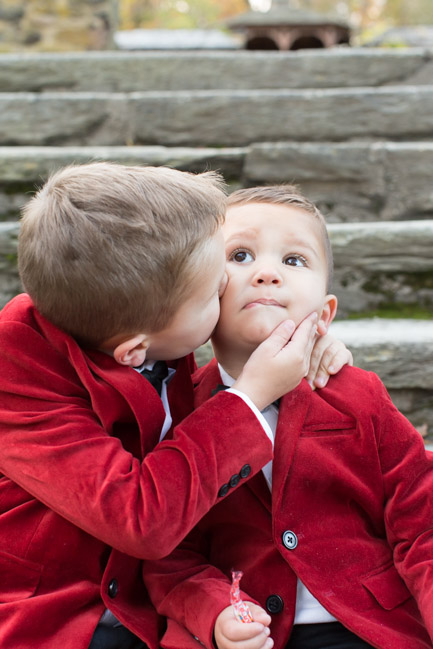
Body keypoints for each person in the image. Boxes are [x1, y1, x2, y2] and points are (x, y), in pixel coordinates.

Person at [0, 165, 350, 649]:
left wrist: (313, 341)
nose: (229, 284)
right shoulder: (18, 382)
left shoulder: (133, 312)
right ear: (134, 351)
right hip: (62, 616)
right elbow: (141, 519)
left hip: (164, 597)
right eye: (213, 291)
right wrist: (248, 398)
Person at [142, 185, 433, 649]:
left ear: (325, 314)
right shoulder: (176, 410)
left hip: (364, 626)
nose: (266, 274)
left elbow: (421, 520)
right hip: (249, 632)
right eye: (239, 256)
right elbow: (169, 556)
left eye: (293, 261)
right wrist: (215, 612)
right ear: (200, 293)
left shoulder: (358, 396)